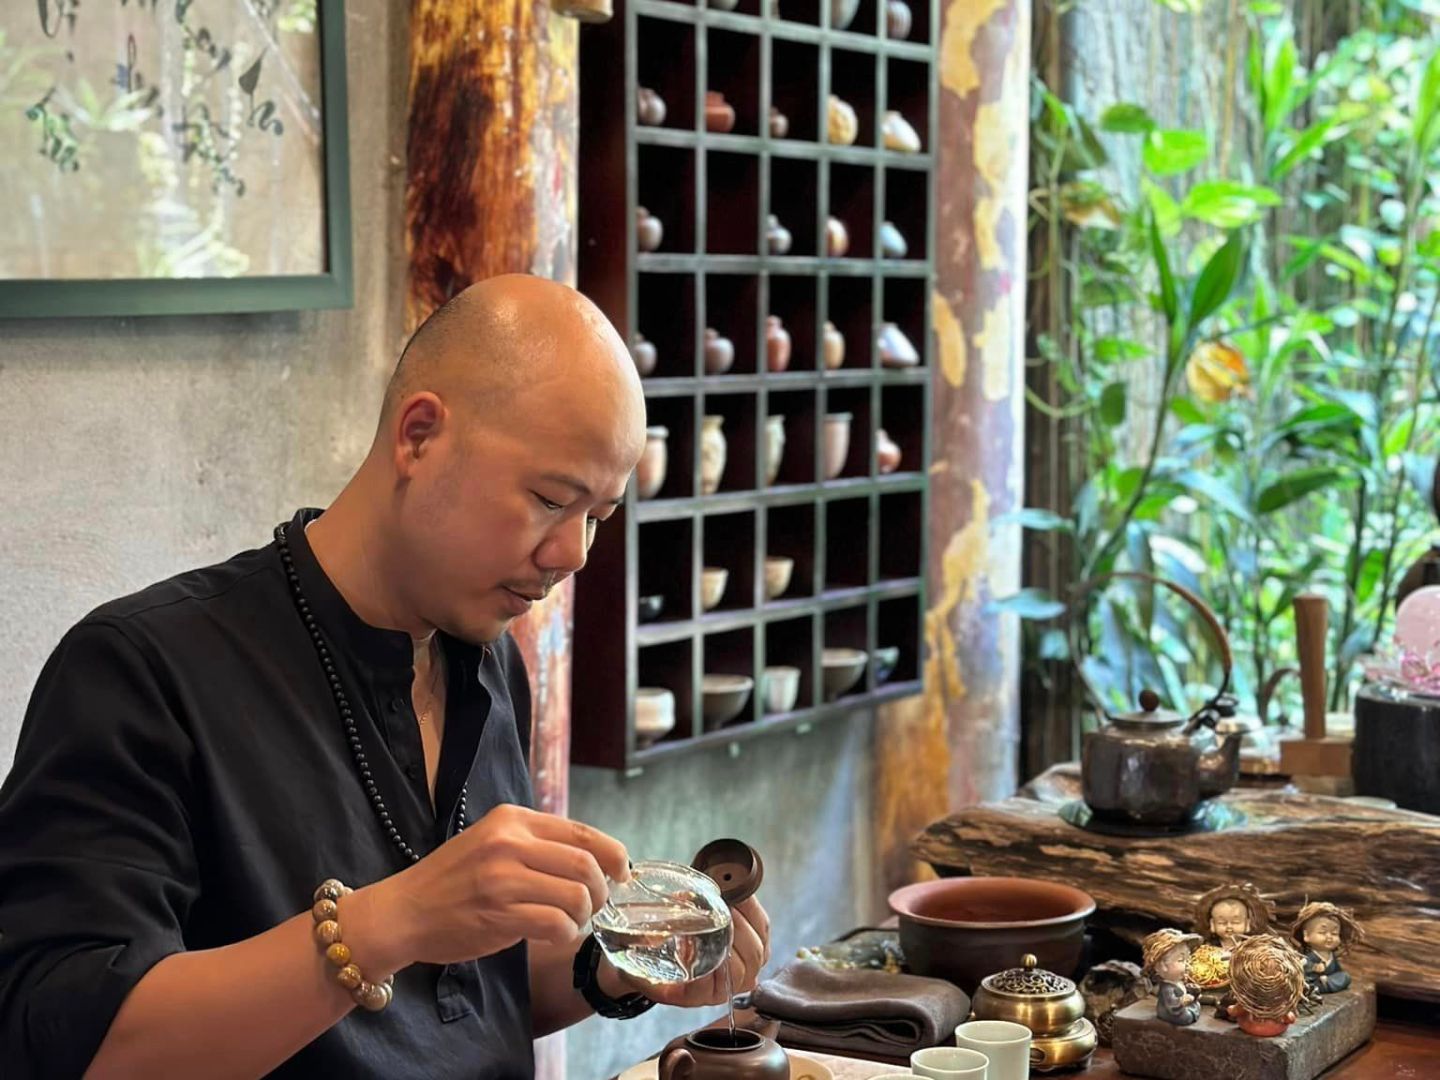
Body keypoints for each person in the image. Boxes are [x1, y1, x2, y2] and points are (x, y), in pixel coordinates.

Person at [0, 275, 771, 1078]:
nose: (573, 554)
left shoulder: (486, 658)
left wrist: (615, 967)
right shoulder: (143, 671)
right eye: (550, 499)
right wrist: (383, 923)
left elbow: (468, 999)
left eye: (599, 517)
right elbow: (69, 1046)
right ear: (418, 436)